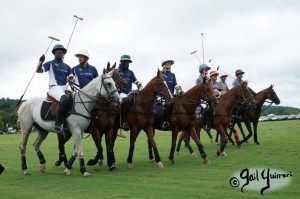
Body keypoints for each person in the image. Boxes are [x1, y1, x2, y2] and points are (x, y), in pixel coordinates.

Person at [36, 44, 74, 132]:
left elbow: (72, 78)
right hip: (54, 88)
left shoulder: (67, 67)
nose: (60, 53)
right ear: (54, 53)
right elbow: (39, 71)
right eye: (58, 52)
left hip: (64, 88)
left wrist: (71, 81)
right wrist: (40, 62)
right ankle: (58, 124)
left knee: (76, 99)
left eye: (62, 52)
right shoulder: (50, 63)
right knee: (64, 99)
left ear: (64, 53)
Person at [118, 54, 142, 130]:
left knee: (137, 102)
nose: (127, 64)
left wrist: (139, 84)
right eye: (125, 62)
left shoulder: (130, 72)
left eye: (128, 62)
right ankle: (124, 121)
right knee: (125, 101)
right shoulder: (117, 71)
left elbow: (135, 80)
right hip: (120, 93)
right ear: (121, 62)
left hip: (129, 92)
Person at [161, 59, 182, 130]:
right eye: (167, 64)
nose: (169, 65)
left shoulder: (173, 75)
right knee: (167, 105)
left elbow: (175, 85)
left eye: (170, 64)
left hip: (171, 95)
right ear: (163, 65)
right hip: (163, 95)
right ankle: (165, 122)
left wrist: (179, 88)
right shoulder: (161, 74)